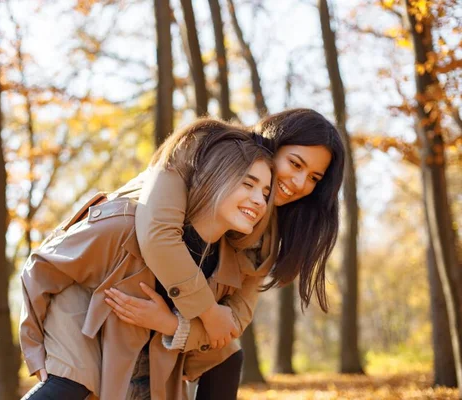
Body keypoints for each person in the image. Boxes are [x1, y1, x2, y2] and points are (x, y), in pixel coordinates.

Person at [19, 120, 276, 400]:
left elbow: (219, 334)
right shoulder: (123, 226)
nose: (259, 201)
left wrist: (171, 325)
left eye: (265, 193)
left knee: (228, 357)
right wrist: (35, 353)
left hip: (154, 363)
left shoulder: (228, 265)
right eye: (248, 184)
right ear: (213, 178)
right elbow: (41, 268)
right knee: (66, 388)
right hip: (89, 342)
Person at [108, 108, 345, 399]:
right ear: (272, 143)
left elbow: (235, 319)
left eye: (313, 178)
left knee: (227, 357)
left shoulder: (268, 235)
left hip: (163, 321)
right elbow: (158, 234)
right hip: (104, 279)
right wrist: (208, 311)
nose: (299, 183)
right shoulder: (201, 147)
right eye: (295, 164)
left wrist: (172, 324)